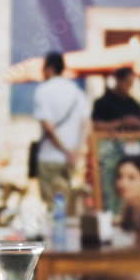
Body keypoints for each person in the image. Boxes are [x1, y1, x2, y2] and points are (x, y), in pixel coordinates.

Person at [33, 51, 90, 205]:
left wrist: (66, 151)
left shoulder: (43, 90)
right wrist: (76, 151)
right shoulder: (78, 93)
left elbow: (48, 127)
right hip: (71, 160)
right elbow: (86, 124)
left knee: (50, 207)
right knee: (68, 206)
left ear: (50, 68)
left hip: (49, 157)